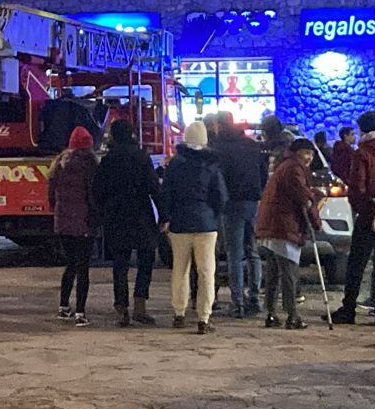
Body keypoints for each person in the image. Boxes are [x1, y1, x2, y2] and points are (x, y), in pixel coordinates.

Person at [92, 118, 163, 328]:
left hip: (116, 217)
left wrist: (103, 213)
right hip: (141, 215)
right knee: (146, 259)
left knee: (120, 264)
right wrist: (164, 215)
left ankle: (121, 308)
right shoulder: (142, 157)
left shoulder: (107, 160)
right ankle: (140, 306)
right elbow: (153, 187)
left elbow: (97, 191)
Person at [161, 120, 228, 334]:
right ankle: (203, 318)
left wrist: (167, 217)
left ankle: (179, 314)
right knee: (207, 271)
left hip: (180, 223)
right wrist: (213, 215)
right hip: (206, 224)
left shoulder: (175, 164)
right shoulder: (211, 165)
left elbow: (166, 195)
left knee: (180, 270)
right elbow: (221, 196)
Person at [333, 109, 375, 326]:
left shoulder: (362, 153)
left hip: (369, 214)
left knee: (357, 262)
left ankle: (349, 307)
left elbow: (357, 186)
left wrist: (361, 206)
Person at [255, 137, 320, 330]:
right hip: (284, 225)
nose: (309, 158)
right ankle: (292, 315)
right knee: (289, 272)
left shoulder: (284, 166)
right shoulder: (294, 168)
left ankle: (271, 313)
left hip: (274, 224)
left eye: (311, 154)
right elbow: (302, 196)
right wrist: (316, 220)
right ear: (298, 153)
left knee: (274, 271)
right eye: (306, 153)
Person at [210, 111, 267, 320]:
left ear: (219, 125)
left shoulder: (218, 148)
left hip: (231, 203)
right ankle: (255, 297)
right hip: (252, 202)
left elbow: (217, 179)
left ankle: (238, 302)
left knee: (235, 254)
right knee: (253, 251)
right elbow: (263, 174)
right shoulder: (252, 145)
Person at [48, 125, 99, 324]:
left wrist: (58, 214)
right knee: (83, 267)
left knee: (69, 265)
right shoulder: (90, 165)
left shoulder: (58, 165)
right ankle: (80, 312)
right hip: (83, 223)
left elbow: (51, 197)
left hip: (63, 223)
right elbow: (92, 197)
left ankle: (63, 306)